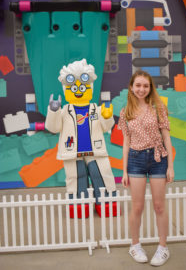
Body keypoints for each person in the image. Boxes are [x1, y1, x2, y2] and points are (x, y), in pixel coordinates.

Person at [45, 59, 116, 217]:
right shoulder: (64, 110)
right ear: (66, 89)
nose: (78, 90)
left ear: (89, 88)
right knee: (76, 180)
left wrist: (107, 116)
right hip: (72, 153)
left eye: (83, 87)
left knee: (102, 176)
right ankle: (79, 208)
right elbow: (53, 127)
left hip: (95, 151)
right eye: (74, 87)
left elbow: (106, 127)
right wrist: (54, 110)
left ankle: (107, 205)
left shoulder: (95, 109)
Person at [118, 70, 174, 266]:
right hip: (135, 159)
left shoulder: (159, 107)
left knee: (159, 206)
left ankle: (163, 248)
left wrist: (170, 167)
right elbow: (126, 142)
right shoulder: (126, 112)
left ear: (150, 88)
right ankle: (135, 245)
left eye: (145, 86)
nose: (141, 89)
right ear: (132, 87)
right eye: (138, 85)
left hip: (158, 159)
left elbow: (167, 137)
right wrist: (124, 170)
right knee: (138, 207)